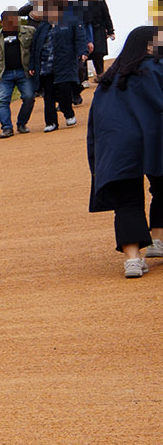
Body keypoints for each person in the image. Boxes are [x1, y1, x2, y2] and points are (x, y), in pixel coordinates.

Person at [85, 25, 163, 278]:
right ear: (149, 46)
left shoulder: (109, 79)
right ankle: (158, 241)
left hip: (117, 146)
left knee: (127, 201)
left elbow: (97, 121)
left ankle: (133, 259)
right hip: (153, 140)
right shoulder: (156, 69)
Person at [33, 0, 92, 131]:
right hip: (46, 65)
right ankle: (51, 122)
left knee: (65, 89)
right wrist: (32, 65)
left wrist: (82, 51)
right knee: (49, 95)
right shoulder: (43, 25)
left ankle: (68, 112)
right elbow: (36, 47)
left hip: (64, 61)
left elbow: (79, 36)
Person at [0, 9, 37, 137]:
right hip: (3, 74)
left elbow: (35, 50)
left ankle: (22, 123)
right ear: (1, 22)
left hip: (23, 72)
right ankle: (7, 128)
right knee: (2, 100)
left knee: (29, 97)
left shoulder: (29, 32)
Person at [77, 0, 115, 84]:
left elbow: (107, 16)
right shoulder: (77, 3)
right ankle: (84, 79)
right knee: (84, 52)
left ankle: (100, 74)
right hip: (83, 29)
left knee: (98, 53)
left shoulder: (100, 1)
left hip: (98, 29)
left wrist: (111, 30)